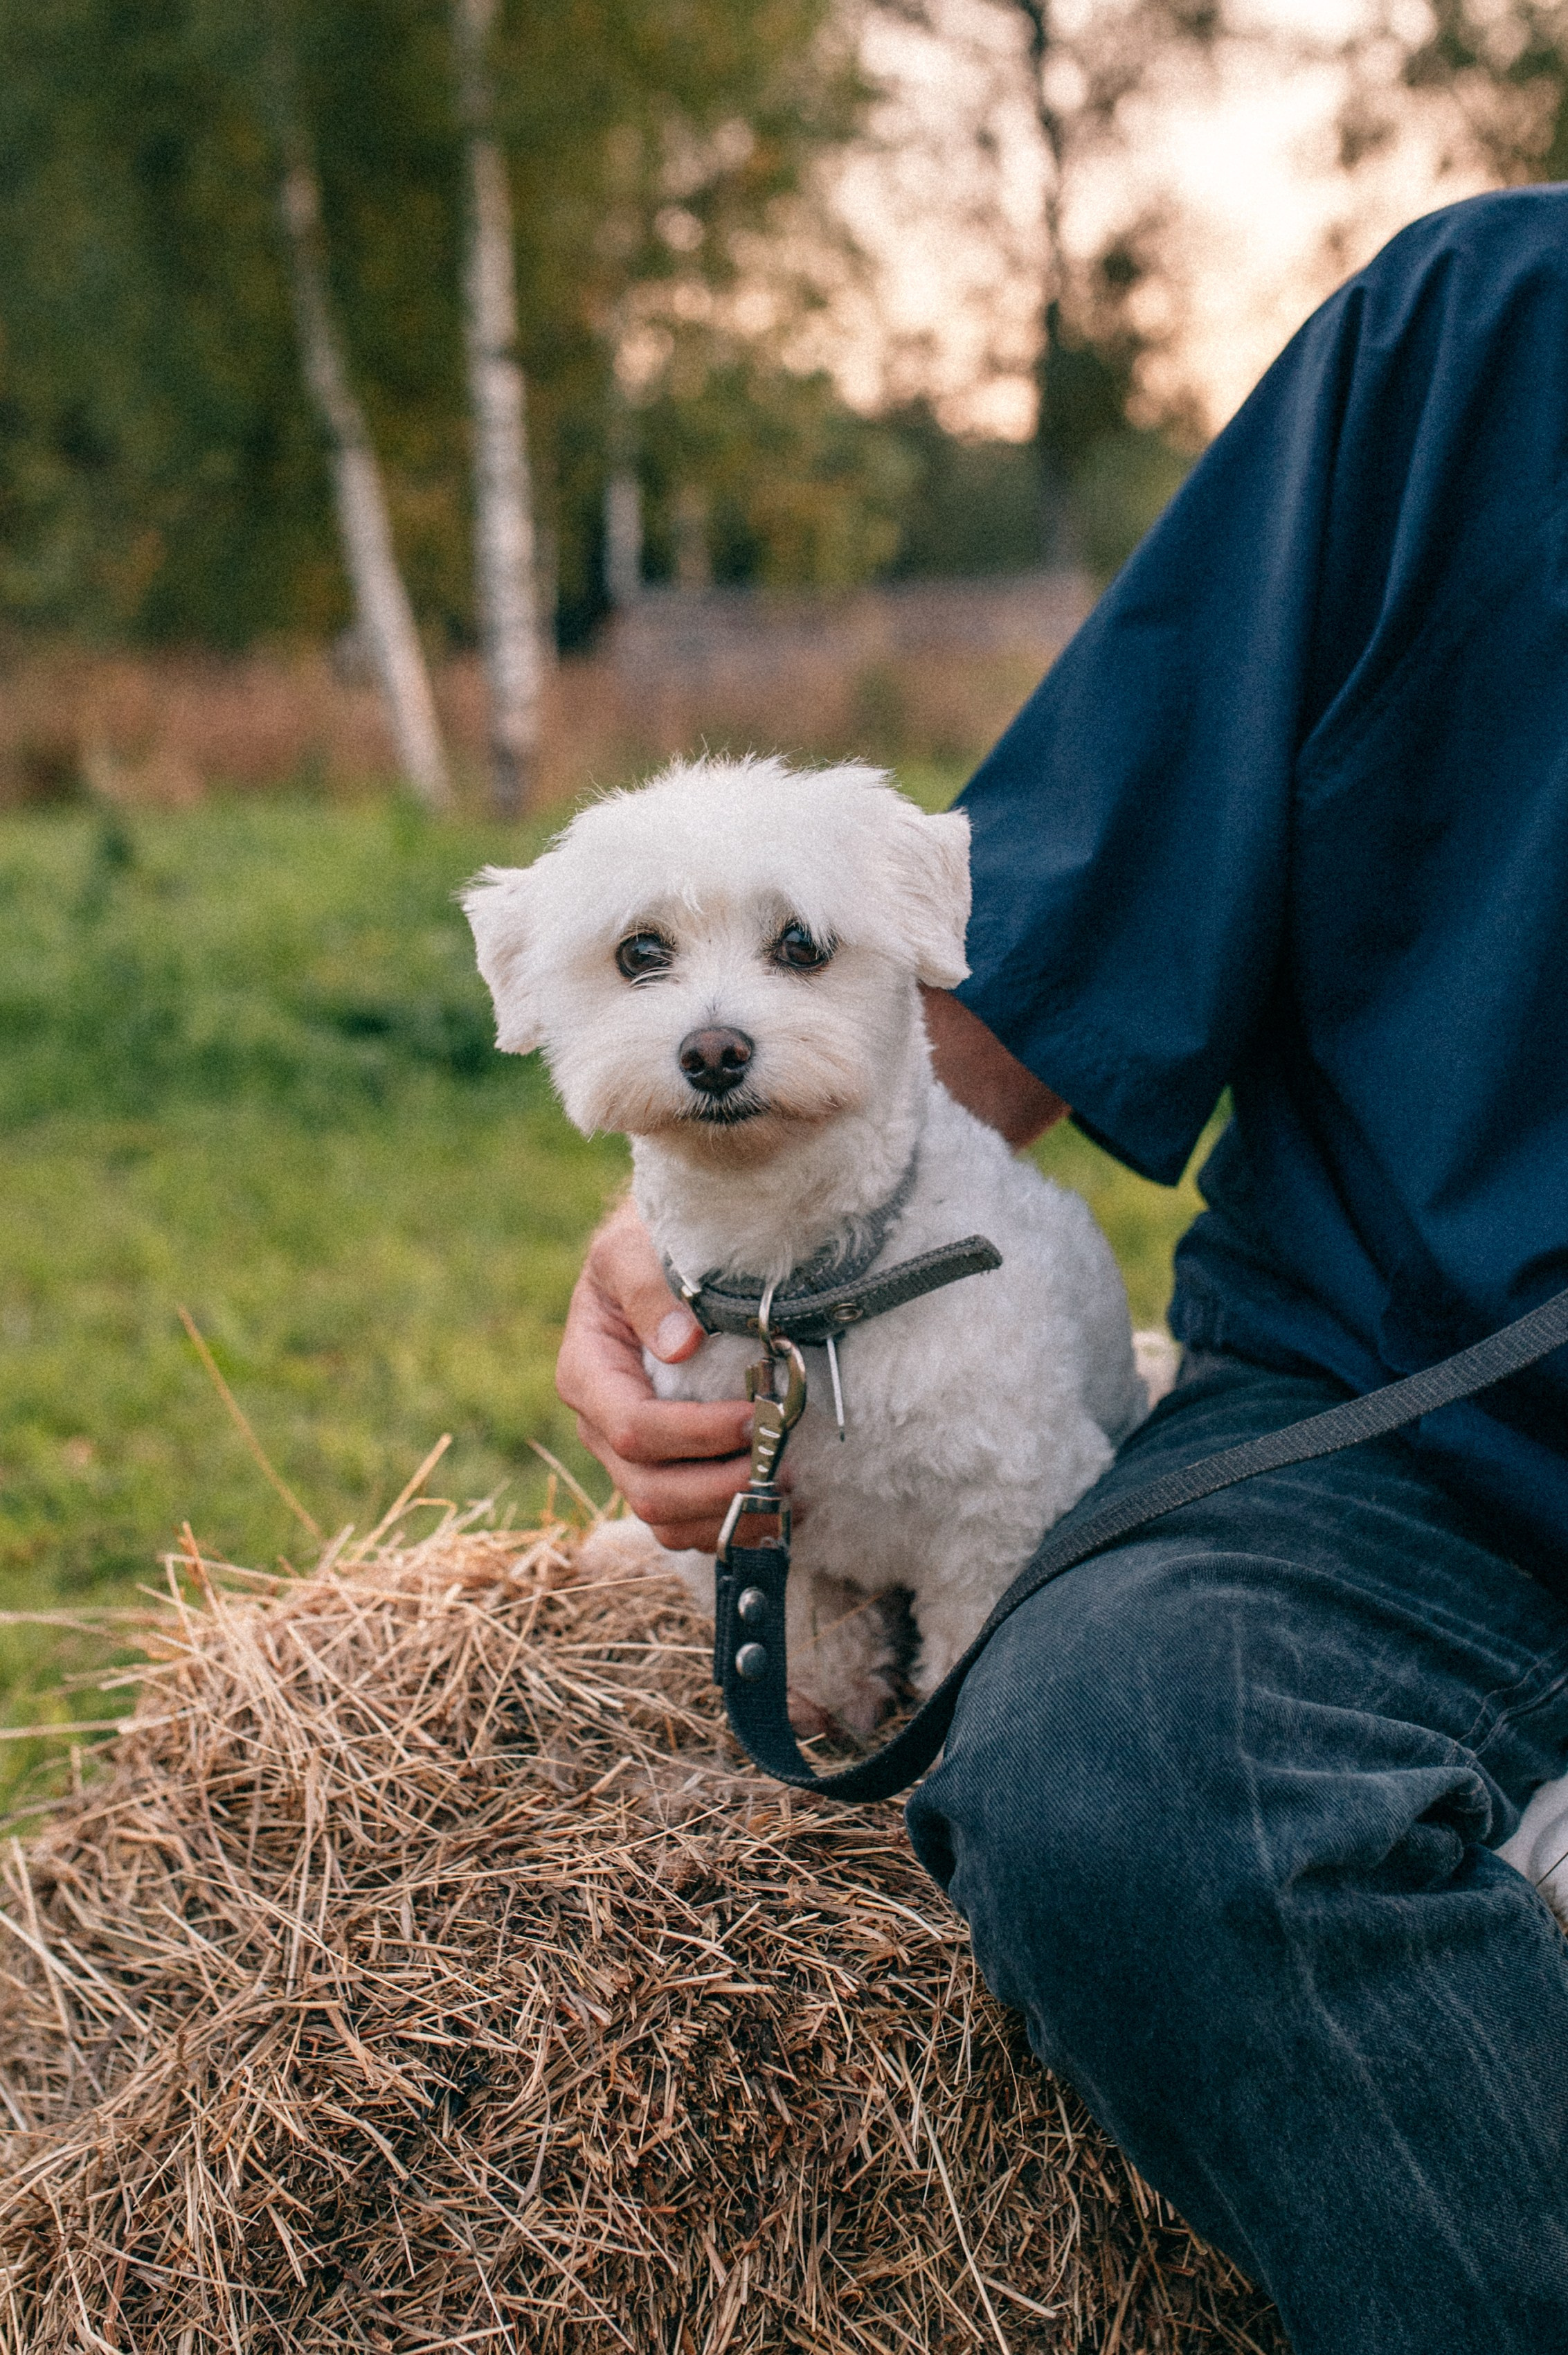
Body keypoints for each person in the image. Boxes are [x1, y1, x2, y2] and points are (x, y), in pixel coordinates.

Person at [555, 188, 1568, 2354]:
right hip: (1401, 1424)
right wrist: (709, 1235)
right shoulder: (1476, 332)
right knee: (1111, 1768)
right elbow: (1019, 951)